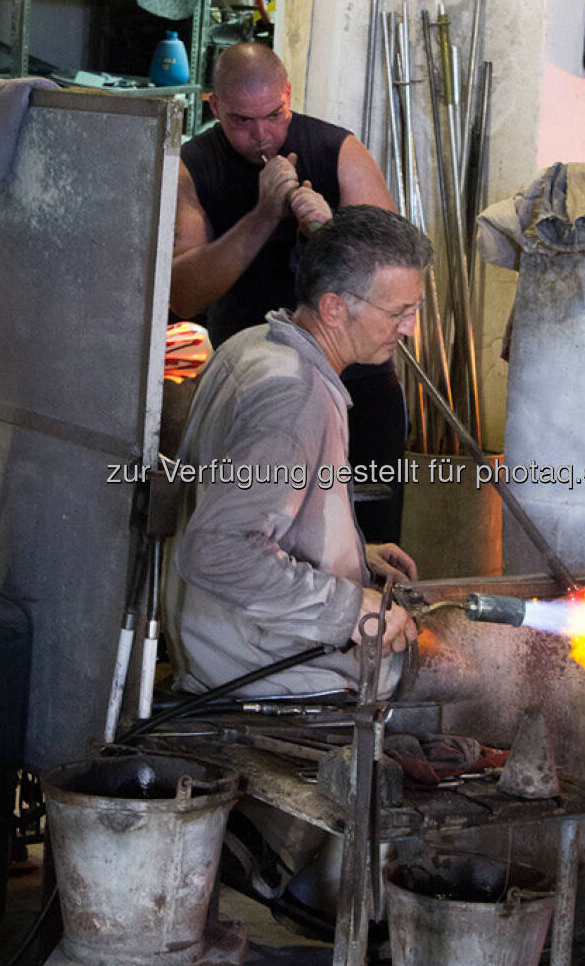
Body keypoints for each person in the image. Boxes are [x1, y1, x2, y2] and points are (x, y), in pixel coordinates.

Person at [164, 205, 429, 701]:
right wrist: (353, 611)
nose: (409, 328)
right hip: (264, 668)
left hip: (224, 642)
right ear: (333, 307)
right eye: (398, 312)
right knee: (465, 675)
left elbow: (246, 499)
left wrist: (347, 548)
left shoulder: (254, 345)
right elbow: (219, 549)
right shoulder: (294, 395)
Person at [169, 43, 408, 541]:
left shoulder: (339, 150)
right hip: (257, 389)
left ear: (288, 96)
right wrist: (263, 216)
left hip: (356, 387)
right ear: (214, 107)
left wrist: (327, 231)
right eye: (241, 121)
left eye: (274, 115)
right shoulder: (192, 166)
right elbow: (182, 294)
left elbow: (394, 280)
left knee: (372, 544)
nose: (262, 135)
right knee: (265, 541)